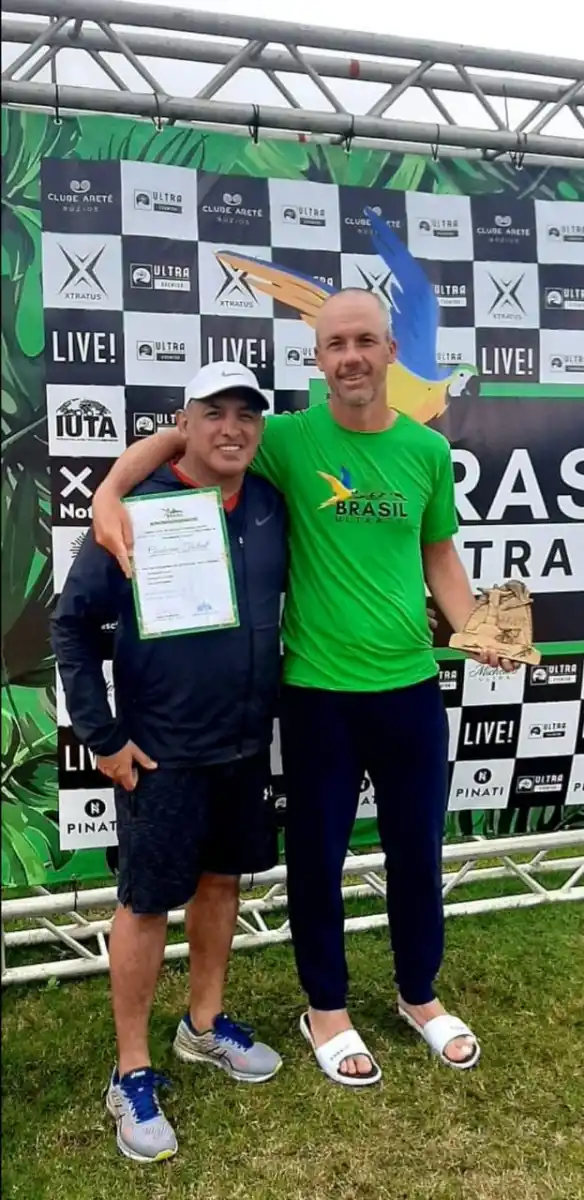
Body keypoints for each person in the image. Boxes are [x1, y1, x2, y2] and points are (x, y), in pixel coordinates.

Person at [91, 289, 514, 1088]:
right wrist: (111, 493)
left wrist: (478, 630)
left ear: (391, 353)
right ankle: (326, 1008)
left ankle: (419, 995)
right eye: (334, 344)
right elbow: (179, 434)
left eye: (365, 341)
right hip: (317, 692)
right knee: (317, 860)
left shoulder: (426, 452)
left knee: (417, 852)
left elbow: (441, 563)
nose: (350, 356)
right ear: (317, 361)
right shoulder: (283, 437)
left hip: (410, 691)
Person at [52, 362, 288, 1163]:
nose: (231, 428)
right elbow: (72, 627)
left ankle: (202, 1025)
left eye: (246, 415)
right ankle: (133, 1069)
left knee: (222, 883)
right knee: (147, 904)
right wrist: (103, 735)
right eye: (212, 413)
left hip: (245, 742)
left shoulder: (269, 503)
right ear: (183, 422)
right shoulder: (137, 512)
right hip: (161, 754)